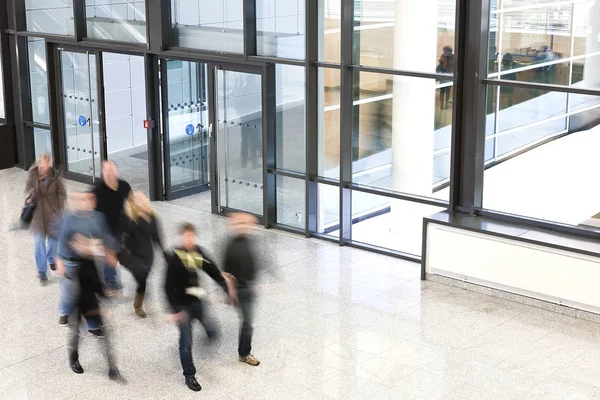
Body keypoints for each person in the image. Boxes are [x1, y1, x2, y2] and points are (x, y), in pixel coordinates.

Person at [55, 190, 125, 382]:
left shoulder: (92, 261)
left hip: (90, 298)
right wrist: (59, 260)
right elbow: (63, 241)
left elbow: (97, 284)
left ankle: (112, 369)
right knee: (76, 331)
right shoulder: (70, 220)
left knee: (105, 336)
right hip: (78, 294)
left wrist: (106, 299)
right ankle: (73, 358)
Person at [164, 222, 236, 392]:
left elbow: (213, 271)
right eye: (185, 236)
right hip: (181, 305)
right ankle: (189, 374)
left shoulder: (198, 252)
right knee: (186, 341)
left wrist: (227, 291)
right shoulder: (174, 258)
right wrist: (173, 310)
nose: (189, 240)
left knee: (213, 332)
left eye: (191, 236)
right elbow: (166, 287)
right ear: (180, 237)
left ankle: (207, 338)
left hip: (197, 299)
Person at [117, 191, 163, 318]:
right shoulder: (129, 218)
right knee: (141, 276)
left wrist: (164, 254)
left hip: (147, 254)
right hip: (130, 255)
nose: (141, 201)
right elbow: (121, 236)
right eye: (137, 199)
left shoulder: (152, 218)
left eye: (142, 198)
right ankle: (139, 306)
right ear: (133, 203)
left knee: (143, 281)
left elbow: (157, 237)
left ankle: (139, 301)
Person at [223, 212, 260, 367]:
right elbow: (225, 274)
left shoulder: (249, 242)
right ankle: (244, 354)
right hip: (240, 289)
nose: (245, 227)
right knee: (247, 321)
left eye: (247, 225)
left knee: (247, 321)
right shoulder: (231, 247)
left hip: (248, 286)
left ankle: (244, 352)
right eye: (241, 224)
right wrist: (231, 293)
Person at [24, 153, 66, 285]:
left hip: (53, 214)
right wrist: (31, 194)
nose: (44, 165)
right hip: (38, 216)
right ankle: (42, 272)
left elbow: (61, 193)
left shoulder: (55, 175)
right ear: (39, 163)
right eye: (42, 162)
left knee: (54, 241)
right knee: (39, 244)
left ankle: (51, 259)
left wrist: (59, 208)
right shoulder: (33, 175)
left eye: (47, 163)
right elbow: (28, 191)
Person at [94, 160, 132, 294]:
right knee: (110, 253)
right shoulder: (98, 190)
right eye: (106, 171)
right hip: (104, 228)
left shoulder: (124, 186)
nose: (108, 174)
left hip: (120, 226)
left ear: (116, 171)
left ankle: (109, 279)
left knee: (112, 254)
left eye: (111, 170)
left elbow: (132, 203)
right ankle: (110, 280)